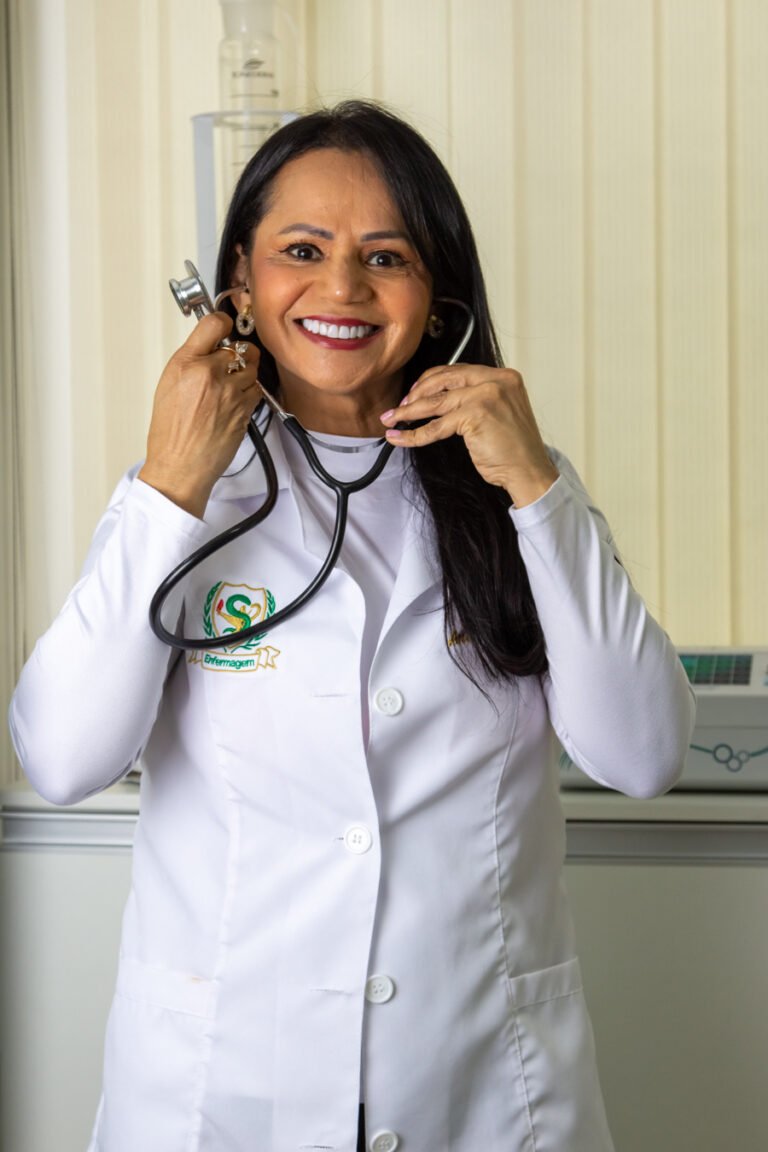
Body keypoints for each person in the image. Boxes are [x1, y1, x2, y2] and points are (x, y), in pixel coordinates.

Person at [9, 100, 695, 1152]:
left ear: (439, 295)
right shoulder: (182, 499)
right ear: (237, 285)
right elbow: (61, 760)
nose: (341, 289)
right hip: (223, 1095)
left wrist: (536, 487)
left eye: (386, 256)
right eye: (301, 250)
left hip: (480, 1090)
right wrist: (169, 485)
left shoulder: (519, 492)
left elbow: (643, 756)